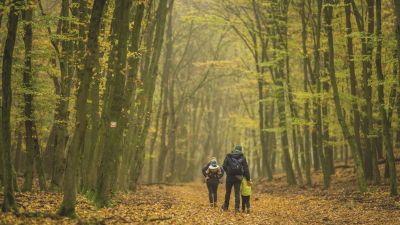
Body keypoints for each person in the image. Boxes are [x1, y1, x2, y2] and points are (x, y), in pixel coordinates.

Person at [222, 144, 250, 212]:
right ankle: (237, 208)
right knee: (237, 193)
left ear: (234, 149)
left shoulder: (228, 156)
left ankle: (225, 206)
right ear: (241, 150)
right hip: (238, 177)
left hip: (229, 177)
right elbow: (246, 169)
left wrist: (228, 172)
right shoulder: (242, 157)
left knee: (228, 192)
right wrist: (248, 178)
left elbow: (224, 166)